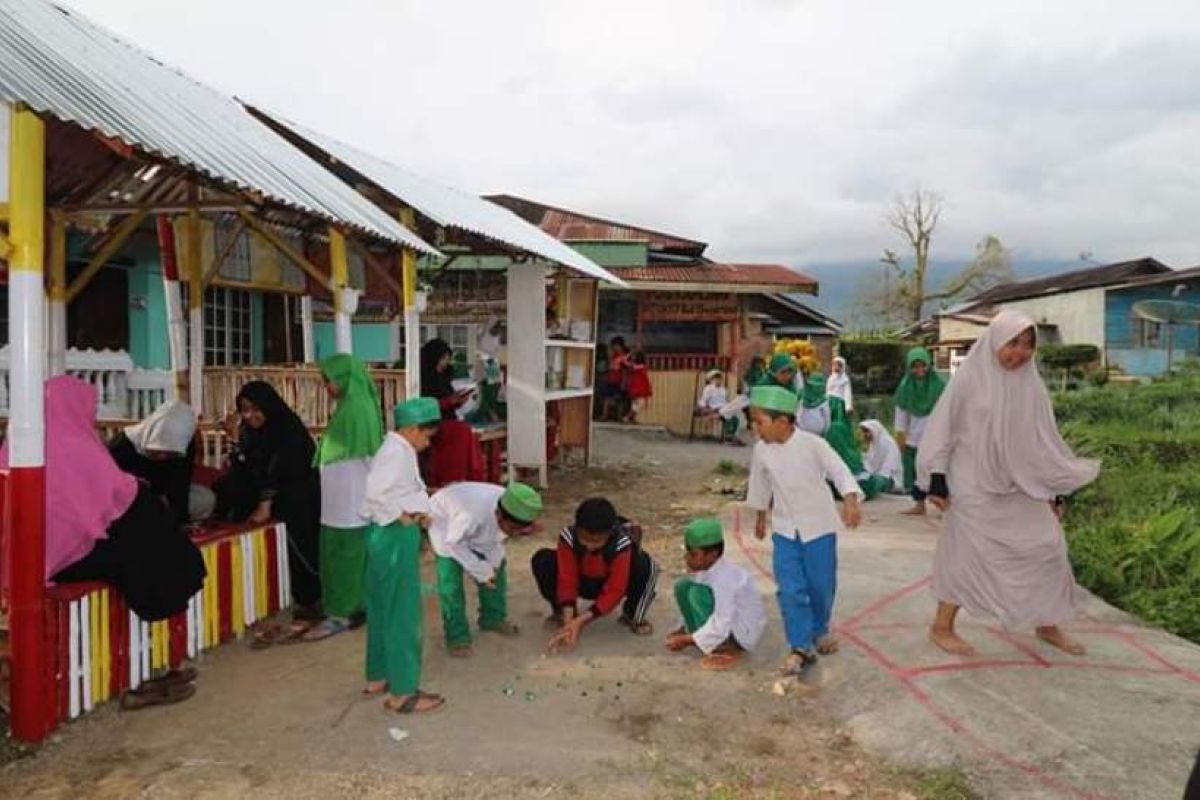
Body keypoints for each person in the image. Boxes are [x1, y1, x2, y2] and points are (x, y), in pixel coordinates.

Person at [917, 309, 1099, 658]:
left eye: (1028, 345)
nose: (1019, 352)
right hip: (972, 483)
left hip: (1021, 483)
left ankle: (1047, 622)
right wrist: (937, 480)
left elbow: (1044, 441)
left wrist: (1054, 489)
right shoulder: (969, 379)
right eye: (1013, 342)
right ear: (996, 340)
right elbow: (943, 429)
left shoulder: (1032, 386)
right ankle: (942, 627)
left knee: (1048, 545)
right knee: (965, 553)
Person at [2, 377, 206, 621]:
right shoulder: (78, 444)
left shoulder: (15, 447)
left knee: (142, 530)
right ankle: (174, 592)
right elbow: (119, 495)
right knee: (142, 539)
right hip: (59, 558)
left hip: (26, 556)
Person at [745, 385, 863, 676]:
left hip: (819, 527)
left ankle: (820, 628)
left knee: (820, 585)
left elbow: (839, 470)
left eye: (759, 422)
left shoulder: (813, 444)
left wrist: (850, 500)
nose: (754, 428)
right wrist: (761, 515)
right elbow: (759, 484)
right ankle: (799, 644)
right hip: (785, 530)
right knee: (790, 589)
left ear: (782, 422)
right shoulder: (761, 451)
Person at [214, 381, 323, 634]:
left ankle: (311, 602)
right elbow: (250, 464)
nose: (250, 415)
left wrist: (265, 505)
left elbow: (279, 468)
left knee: (300, 541)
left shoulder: (287, 428)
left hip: (298, 493)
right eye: (244, 409)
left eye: (255, 409)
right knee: (225, 489)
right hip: (274, 492)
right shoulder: (253, 431)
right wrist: (234, 440)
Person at [359, 397, 445, 714]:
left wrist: (418, 511)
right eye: (426, 436)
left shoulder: (398, 449)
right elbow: (375, 492)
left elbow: (400, 489)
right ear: (411, 429)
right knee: (403, 614)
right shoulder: (395, 452)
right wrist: (402, 515)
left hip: (384, 536)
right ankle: (403, 692)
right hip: (394, 537)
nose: (427, 443)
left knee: (382, 607)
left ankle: (378, 675)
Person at [305, 354, 383, 641]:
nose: (327, 386)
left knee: (342, 557)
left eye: (329, 380)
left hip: (348, 503)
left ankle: (341, 612)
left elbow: (368, 457)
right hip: (345, 500)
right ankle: (355, 606)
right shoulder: (354, 406)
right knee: (350, 556)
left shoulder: (354, 409)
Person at [428, 482, 544, 656]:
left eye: (520, 530)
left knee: (498, 567)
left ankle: (492, 618)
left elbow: (494, 539)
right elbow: (453, 544)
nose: (514, 534)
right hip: (445, 526)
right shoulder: (470, 514)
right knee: (450, 582)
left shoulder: (514, 505)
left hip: (478, 527)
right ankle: (457, 637)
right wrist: (481, 571)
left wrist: (491, 569)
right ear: (499, 515)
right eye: (512, 529)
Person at [533, 498, 660, 653]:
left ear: (609, 534)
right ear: (577, 528)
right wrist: (569, 622)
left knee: (646, 566)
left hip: (610, 582)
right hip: (584, 580)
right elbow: (567, 579)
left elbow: (615, 590)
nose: (590, 545)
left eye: (597, 541)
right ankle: (560, 612)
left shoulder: (622, 544)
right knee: (543, 560)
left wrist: (581, 621)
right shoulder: (568, 537)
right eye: (584, 539)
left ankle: (632, 614)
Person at [666, 518, 767, 671]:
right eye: (688, 553)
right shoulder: (708, 569)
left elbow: (722, 620)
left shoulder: (725, 579)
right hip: (725, 622)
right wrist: (684, 628)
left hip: (742, 632)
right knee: (683, 586)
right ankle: (700, 637)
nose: (687, 559)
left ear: (712, 554)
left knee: (696, 594)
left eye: (693, 554)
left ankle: (726, 648)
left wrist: (687, 640)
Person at [109, 400, 212, 525]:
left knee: (206, 499)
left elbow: (181, 485)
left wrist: (180, 523)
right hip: (131, 504)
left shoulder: (184, 446)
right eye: (159, 450)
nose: (163, 457)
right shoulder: (119, 447)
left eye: (170, 454)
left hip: (162, 498)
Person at [420, 337, 485, 487]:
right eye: (443, 359)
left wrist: (457, 401)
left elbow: (447, 400)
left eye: (447, 359)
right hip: (431, 421)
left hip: (447, 419)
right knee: (461, 431)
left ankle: (467, 478)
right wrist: (449, 401)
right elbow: (426, 405)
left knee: (466, 432)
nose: (445, 363)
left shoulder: (443, 377)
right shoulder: (422, 377)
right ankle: (452, 479)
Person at [893, 346, 947, 516]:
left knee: (938, 469)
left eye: (922, 365)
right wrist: (900, 434)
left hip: (936, 435)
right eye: (915, 366)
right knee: (916, 469)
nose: (919, 370)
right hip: (914, 436)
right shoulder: (905, 386)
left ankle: (944, 504)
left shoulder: (939, 385)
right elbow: (900, 411)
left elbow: (948, 410)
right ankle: (919, 504)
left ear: (928, 365)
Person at [860, 420, 905, 494]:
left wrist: (874, 475)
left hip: (890, 478)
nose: (864, 434)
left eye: (867, 431)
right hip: (878, 475)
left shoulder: (887, 442)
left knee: (875, 481)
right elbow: (870, 464)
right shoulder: (873, 444)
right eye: (864, 432)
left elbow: (890, 467)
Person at [601, 336, 630, 421]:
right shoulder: (614, 355)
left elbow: (624, 371)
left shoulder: (624, 357)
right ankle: (604, 415)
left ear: (619, 345)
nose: (613, 347)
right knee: (607, 397)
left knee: (619, 400)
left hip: (619, 381)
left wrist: (623, 383)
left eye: (614, 346)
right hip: (611, 379)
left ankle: (619, 416)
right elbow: (610, 364)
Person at [624, 351, 653, 423]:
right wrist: (630, 354)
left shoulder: (636, 366)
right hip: (637, 388)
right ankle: (628, 417)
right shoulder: (639, 366)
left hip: (636, 387)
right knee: (640, 403)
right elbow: (624, 361)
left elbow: (624, 361)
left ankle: (631, 418)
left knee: (635, 404)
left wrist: (629, 354)